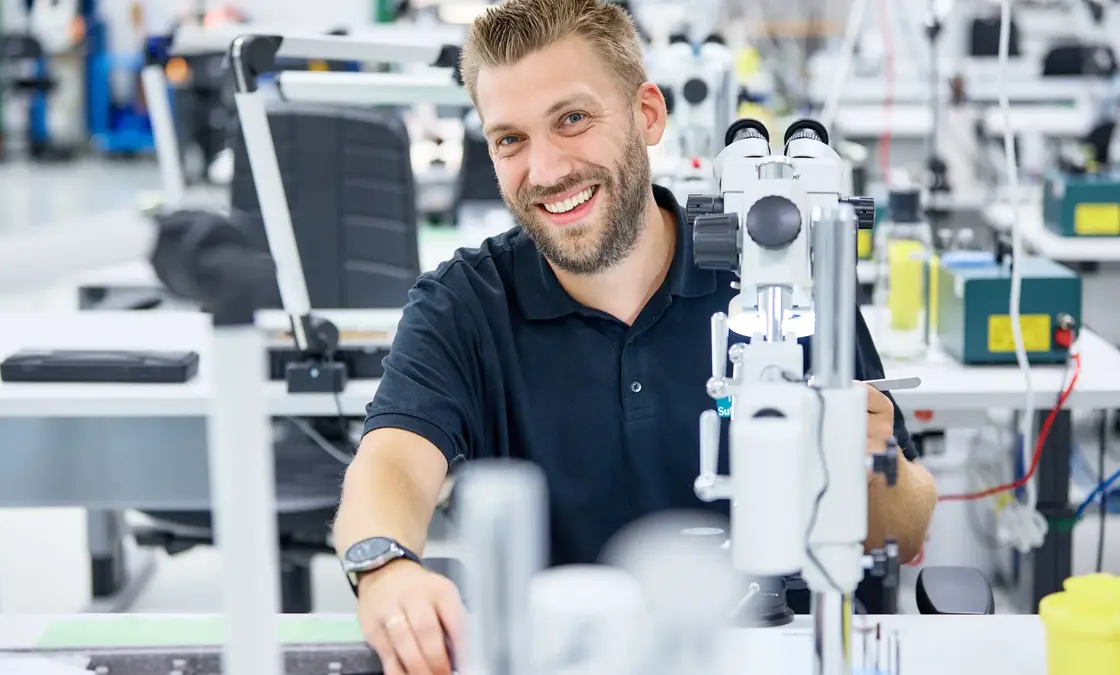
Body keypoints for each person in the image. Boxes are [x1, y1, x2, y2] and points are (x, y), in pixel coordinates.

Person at [332, 1, 938, 673]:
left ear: (648, 114)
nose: (547, 168)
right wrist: (383, 565)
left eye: (572, 119)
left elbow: (906, 530)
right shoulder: (465, 305)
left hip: (779, 649)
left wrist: (860, 456)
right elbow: (390, 464)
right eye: (510, 139)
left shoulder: (782, 276)